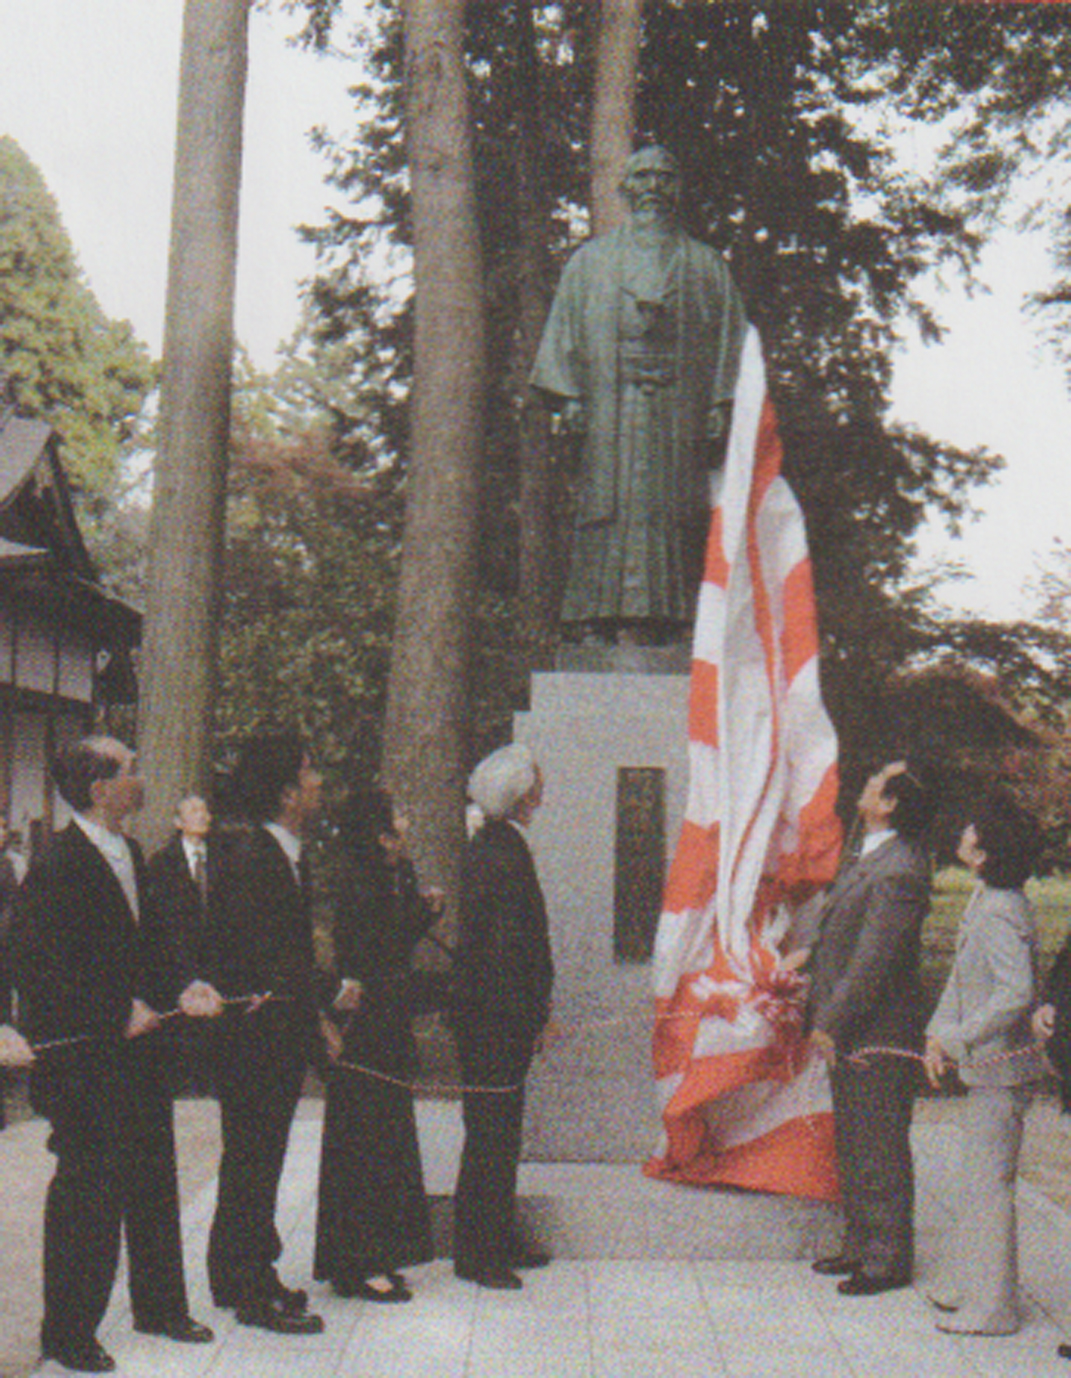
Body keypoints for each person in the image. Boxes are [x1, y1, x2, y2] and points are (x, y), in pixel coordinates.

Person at [9, 738, 214, 1374]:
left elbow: (150, 943)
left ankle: (160, 1306)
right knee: (88, 1192)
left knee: (153, 1176)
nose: (142, 777)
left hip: (141, 1052)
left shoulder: (128, 851)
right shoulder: (57, 863)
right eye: (130, 770)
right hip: (85, 1062)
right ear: (99, 790)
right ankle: (67, 1333)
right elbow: (38, 965)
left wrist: (182, 984)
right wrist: (114, 1008)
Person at [530, 145, 747, 643]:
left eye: (664, 177)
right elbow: (562, 333)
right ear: (626, 188)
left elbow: (732, 340)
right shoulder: (590, 262)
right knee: (606, 503)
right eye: (643, 177)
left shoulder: (705, 265)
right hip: (611, 404)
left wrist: (719, 402)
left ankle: (677, 626)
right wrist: (570, 399)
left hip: (678, 407)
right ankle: (595, 619)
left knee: (677, 509)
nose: (653, 187)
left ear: (678, 189)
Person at [204, 733, 326, 1335]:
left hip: (269, 1034)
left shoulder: (279, 853)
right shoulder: (258, 856)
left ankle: (240, 1271)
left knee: (256, 1159)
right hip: (256, 1040)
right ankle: (249, 1288)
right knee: (254, 1159)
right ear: (284, 792)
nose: (317, 782)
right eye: (308, 773)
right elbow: (264, 958)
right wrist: (314, 1013)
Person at [807, 757, 935, 1296]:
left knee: (878, 1141)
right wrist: (804, 959)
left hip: (876, 1029)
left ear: (890, 805)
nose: (864, 786)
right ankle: (862, 1243)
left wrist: (830, 1022)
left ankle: (887, 1259)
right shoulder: (873, 856)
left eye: (874, 783)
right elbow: (842, 934)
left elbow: (874, 961)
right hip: (854, 1026)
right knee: (855, 1139)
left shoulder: (901, 868)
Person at [923, 793, 1044, 1337]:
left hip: (1003, 1071)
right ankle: (969, 1284)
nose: (964, 836)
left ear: (988, 850)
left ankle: (993, 1308)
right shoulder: (987, 897)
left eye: (973, 832)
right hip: (986, 1067)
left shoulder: (1001, 909)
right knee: (977, 1180)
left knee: (990, 1184)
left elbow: (1015, 993)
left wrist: (958, 1038)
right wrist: (937, 1033)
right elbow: (959, 980)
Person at [314, 787, 440, 1301]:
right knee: (363, 1137)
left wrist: (415, 900)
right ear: (380, 832)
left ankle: (381, 1250)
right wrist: (422, 916)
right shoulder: (357, 880)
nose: (407, 824)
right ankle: (357, 1260)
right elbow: (375, 946)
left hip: (388, 1017)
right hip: (364, 1021)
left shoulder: (391, 873)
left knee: (389, 1134)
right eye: (399, 817)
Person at [452, 744, 555, 1290]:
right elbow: (511, 948)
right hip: (494, 1018)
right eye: (536, 782)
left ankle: (497, 1235)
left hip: (497, 1015)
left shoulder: (496, 847)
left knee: (500, 1132)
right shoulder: (500, 854)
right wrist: (533, 1012)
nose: (542, 791)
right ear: (519, 793)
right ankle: (478, 1251)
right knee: (491, 1133)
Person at [146, 795, 222, 1093]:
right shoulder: (162, 863)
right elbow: (160, 924)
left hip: (217, 968)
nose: (202, 815)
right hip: (178, 969)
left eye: (205, 809)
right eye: (193, 810)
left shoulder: (224, 860)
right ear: (178, 822)